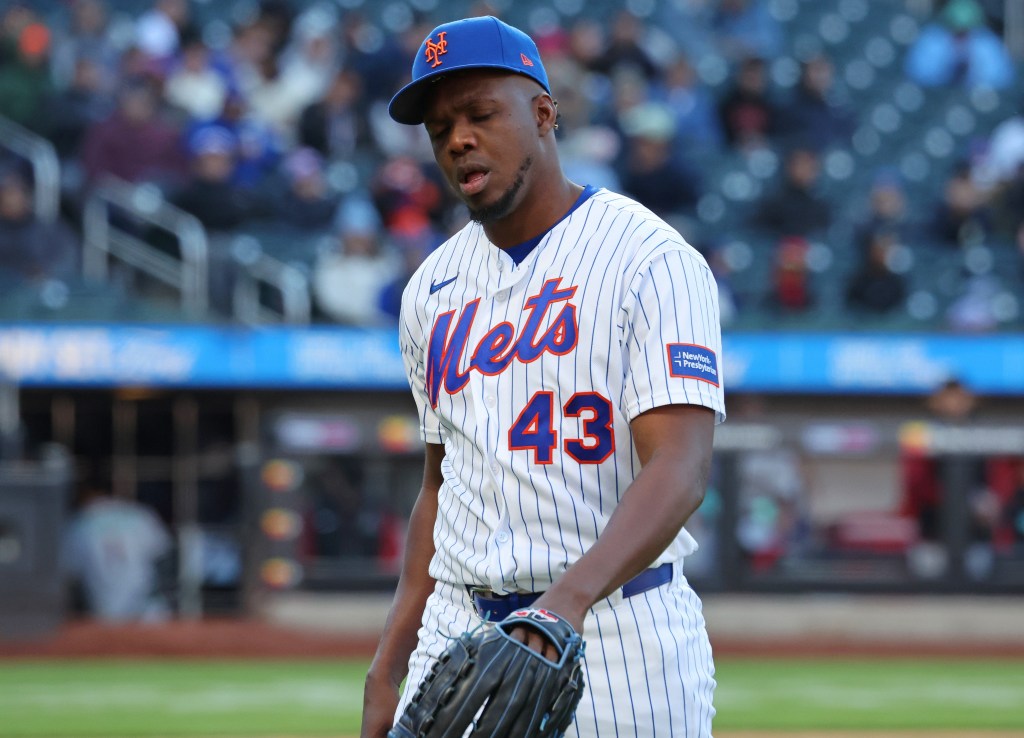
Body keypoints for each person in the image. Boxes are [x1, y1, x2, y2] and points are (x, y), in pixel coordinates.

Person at [362, 16, 724, 738]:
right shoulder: (429, 290)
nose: (458, 138)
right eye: (439, 128)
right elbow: (441, 484)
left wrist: (564, 603)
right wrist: (389, 660)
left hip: (617, 633)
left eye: (480, 114)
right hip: (458, 629)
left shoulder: (650, 259)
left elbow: (681, 467)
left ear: (544, 113)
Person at [63, 480, 174, 622]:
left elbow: (70, 572)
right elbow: (163, 556)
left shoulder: (79, 523)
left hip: (105, 610)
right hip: (147, 609)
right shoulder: (140, 514)